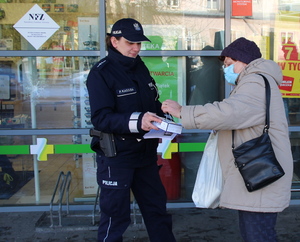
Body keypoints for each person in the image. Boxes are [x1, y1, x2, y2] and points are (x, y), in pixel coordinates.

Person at [162, 37, 293, 242]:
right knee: (258, 234)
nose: (226, 70)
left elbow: (230, 113)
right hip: (255, 172)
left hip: (259, 172)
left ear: (244, 60)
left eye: (229, 64)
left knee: (258, 236)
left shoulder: (255, 80)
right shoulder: (255, 80)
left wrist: (183, 112)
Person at [86, 18, 176, 242]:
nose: (136, 48)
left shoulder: (140, 66)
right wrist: (138, 121)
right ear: (114, 41)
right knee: (115, 218)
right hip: (117, 158)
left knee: (157, 212)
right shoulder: (101, 73)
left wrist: (163, 116)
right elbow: (101, 118)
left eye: (139, 44)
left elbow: (150, 103)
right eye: (130, 43)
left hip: (145, 156)